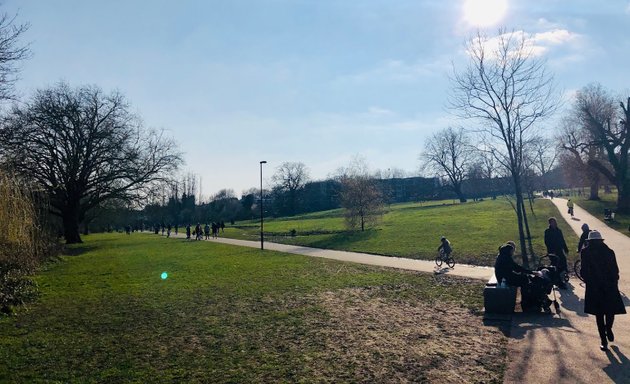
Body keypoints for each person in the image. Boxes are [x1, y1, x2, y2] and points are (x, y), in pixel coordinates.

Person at [580, 230, 626, 351]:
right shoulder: (609, 252)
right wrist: (614, 281)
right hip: (609, 286)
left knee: (599, 314)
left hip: (595, 287)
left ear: (590, 241)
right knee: (610, 310)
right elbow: (615, 270)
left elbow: (583, 270)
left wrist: (588, 280)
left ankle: (603, 340)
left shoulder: (586, 252)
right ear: (601, 241)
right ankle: (608, 329)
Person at [544, 217, 569, 288]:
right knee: (555, 264)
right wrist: (552, 251)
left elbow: (562, 240)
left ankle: (563, 273)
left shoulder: (559, 230)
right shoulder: (547, 231)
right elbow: (547, 242)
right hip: (552, 251)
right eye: (553, 222)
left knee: (563, 260)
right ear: (550, 223)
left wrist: (565, 248)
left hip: (559, 250)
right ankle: (557, 280)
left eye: (555, 222)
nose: (554, 223)